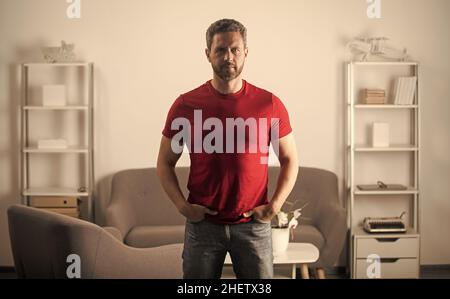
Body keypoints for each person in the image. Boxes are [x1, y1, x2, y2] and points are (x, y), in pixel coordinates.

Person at [157, 18, 298, 279]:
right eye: (220, 49)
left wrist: (273, 206)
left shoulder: (269, 104)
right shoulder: (186, 105)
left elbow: (290, 159)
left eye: (234, 49)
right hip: (203, 227)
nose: (228, 56)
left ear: (246, 52)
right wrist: (183, 207)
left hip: (254, 226)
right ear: (208, 54)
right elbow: (165, 163)